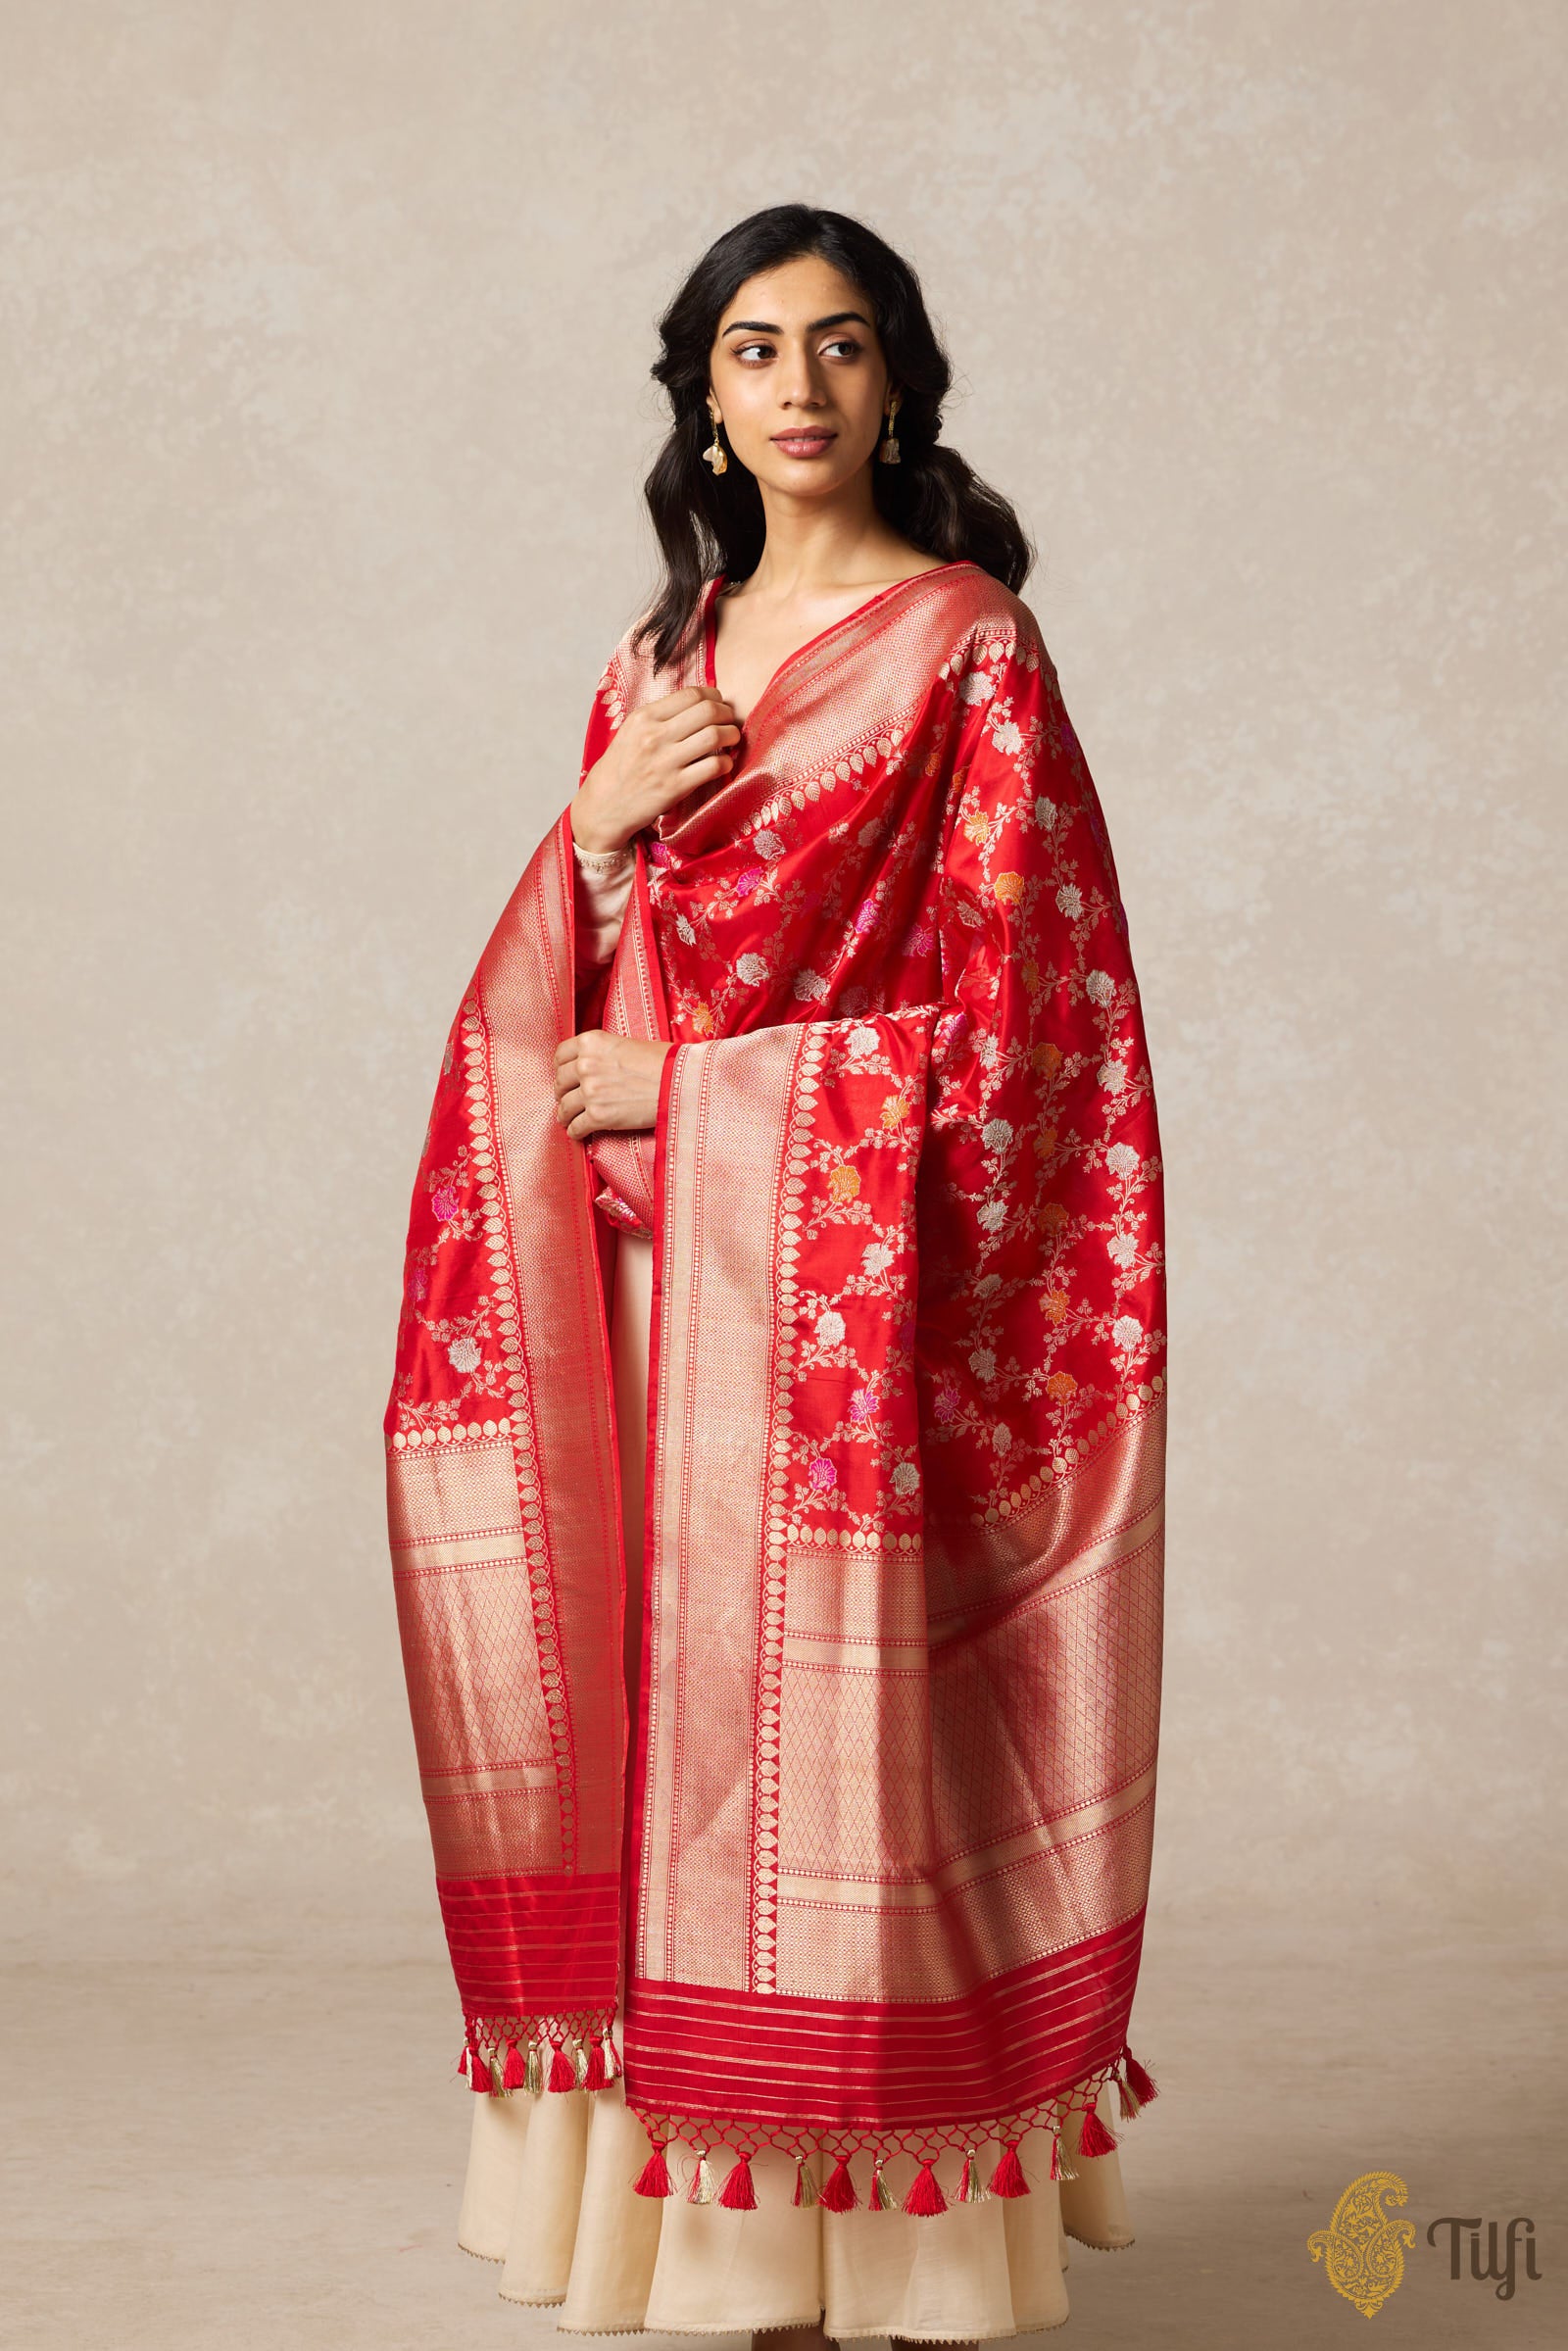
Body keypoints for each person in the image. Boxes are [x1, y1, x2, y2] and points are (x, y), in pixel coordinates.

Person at [385, 203, 1167, 2346]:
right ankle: (705, 2252)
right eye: (753, 348)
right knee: (669, 1743)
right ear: (704, 402)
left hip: (838, 1307)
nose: (798, 385)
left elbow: (1027, 1033)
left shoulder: (967, 649)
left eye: (839, 343)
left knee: (841, 1752)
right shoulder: (657, 665)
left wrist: (707, 1100)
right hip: (653, 1304)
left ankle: (880, 2256)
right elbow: (580, 1000)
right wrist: (595, 828)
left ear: (898, 383)